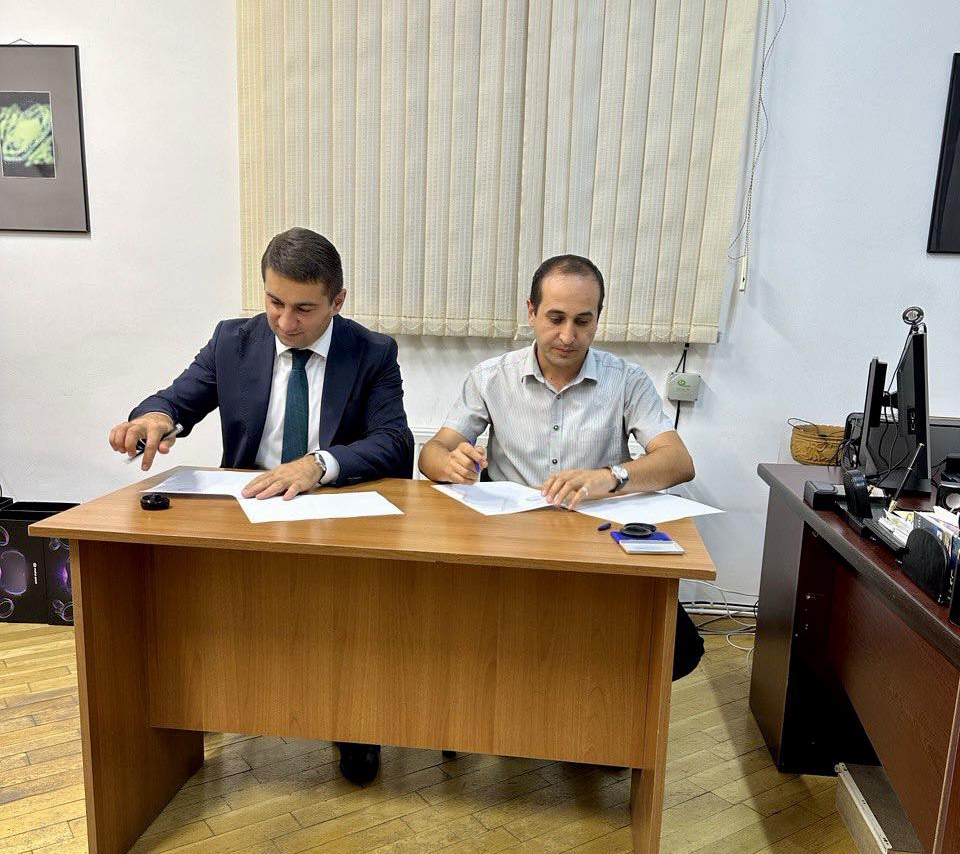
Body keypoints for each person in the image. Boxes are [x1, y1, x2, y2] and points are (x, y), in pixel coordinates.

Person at [108, 226, 414, 784]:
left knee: (349, 617)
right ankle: (204, 702)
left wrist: (318, 463)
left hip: (333, 511)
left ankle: (354, 724)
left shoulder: (371, 351)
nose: (285, 321)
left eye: (304, 308)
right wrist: (155, 417)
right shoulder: (234, 340)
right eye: (274, 302)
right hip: (249, 508)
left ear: (337, 301)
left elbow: (394, 441)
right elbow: (178, 400)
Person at [419, 252, 704, 680]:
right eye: (555, 318)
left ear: (598, 319)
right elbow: (432, 452)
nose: (568, 336)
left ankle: (597, 709)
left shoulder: (626, 380)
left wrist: (610, 478)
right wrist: (450, 463)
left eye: (582, 321)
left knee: (678, 650)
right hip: (509, 541)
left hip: (595, 540)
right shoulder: (491, 377)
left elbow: (678, 461)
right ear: (531, 312)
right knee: (461, 634)